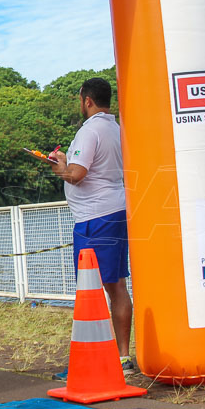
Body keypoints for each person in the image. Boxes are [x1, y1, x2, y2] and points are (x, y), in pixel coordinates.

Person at [48, 77, 134, 375]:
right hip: (112, 210)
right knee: (115, 284)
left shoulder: (89, 131)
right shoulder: (115, 128)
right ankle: (121, 357)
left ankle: (97, 361)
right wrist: (65, 159)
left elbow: (76, 175)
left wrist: (59, 166)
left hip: (95, 217)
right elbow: (88, 167)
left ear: (86, 100)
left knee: (92, 289)